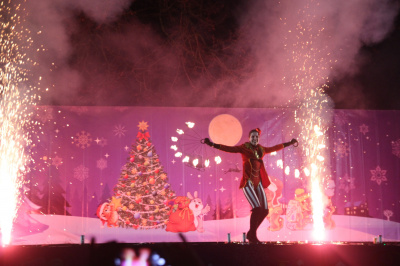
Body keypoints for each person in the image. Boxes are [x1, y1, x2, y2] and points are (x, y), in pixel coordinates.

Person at [203, 128, 297, 243]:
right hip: (248, 183)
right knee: (257, 209)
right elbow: (229, 149)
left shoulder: (262, 150)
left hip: (258, 184)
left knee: (265, 211)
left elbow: (275, 148)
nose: (255, 138)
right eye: (252, 136)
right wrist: (212, 144)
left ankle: (251, 233)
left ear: (258, 138)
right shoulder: (244, 148)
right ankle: (252, 235)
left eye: (256, 137)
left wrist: (289, 143)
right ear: (249, 138)